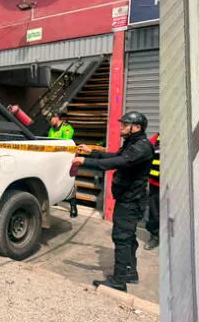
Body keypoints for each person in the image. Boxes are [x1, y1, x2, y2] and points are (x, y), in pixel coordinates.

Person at [71, 111, 153, 292]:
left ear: (136, 127)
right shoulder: (133, 144)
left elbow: (118, 162)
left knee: (122, 238)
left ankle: (118, 281)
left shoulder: (141, 148)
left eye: (125, 125)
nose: (121, 127)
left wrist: (85, 161)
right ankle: (130, 273)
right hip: (128, 199)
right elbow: (113, 156)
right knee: (128, 238)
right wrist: (92, 152)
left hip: (130, 201)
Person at [48, 110, 78, 217]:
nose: (50, 121)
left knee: (69, 183)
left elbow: (65, 145)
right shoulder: (51, 129)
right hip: (54, 159)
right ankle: (55, 199)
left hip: (66, 160)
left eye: (51, 118)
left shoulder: (67, 129)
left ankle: (73, 206)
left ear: (57, 117)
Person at [144, 132, 160, 250]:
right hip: (156, 183)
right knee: (154, 212)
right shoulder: (157, 138)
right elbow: (145, 153)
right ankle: (155, 236)